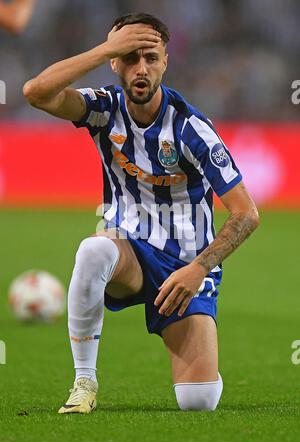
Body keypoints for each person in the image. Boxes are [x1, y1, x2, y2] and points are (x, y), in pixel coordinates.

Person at [23, 12, 259, 413]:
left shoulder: (191, 129)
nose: (141, 68)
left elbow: (246, 214)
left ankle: (201, 355)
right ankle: (84, 381)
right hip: (129, 252)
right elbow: (35, 92)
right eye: (130, 58)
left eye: (151, 57)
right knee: (93, 250)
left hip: (186, 266)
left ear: (166, 61)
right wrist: (104, 49)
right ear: (115, 62)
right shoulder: (104, 110)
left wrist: (199, 268)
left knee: (197, 402)